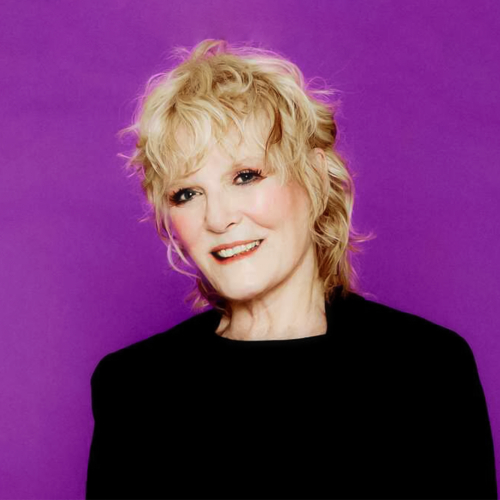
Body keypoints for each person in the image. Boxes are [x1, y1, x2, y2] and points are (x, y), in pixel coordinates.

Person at [86, 39, 497, 499]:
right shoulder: (133, 388)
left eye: (246, 176)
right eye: (187, 193)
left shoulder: (428, 369)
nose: (217, 218)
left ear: (316, 175)